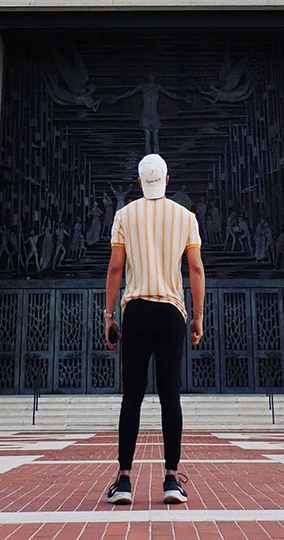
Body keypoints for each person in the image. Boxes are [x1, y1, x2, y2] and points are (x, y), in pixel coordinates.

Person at [103, 153, 205, 507]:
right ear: (167, 180)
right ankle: (172, 478)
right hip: (171, 312)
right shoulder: (186, 217)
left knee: (132, 396)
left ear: (138, 182)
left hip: (136, 311)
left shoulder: (124, 215)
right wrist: (198, 317)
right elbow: (196, 268)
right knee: (170, 395)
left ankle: (124, 480)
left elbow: (115, 269)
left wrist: (108, 316)